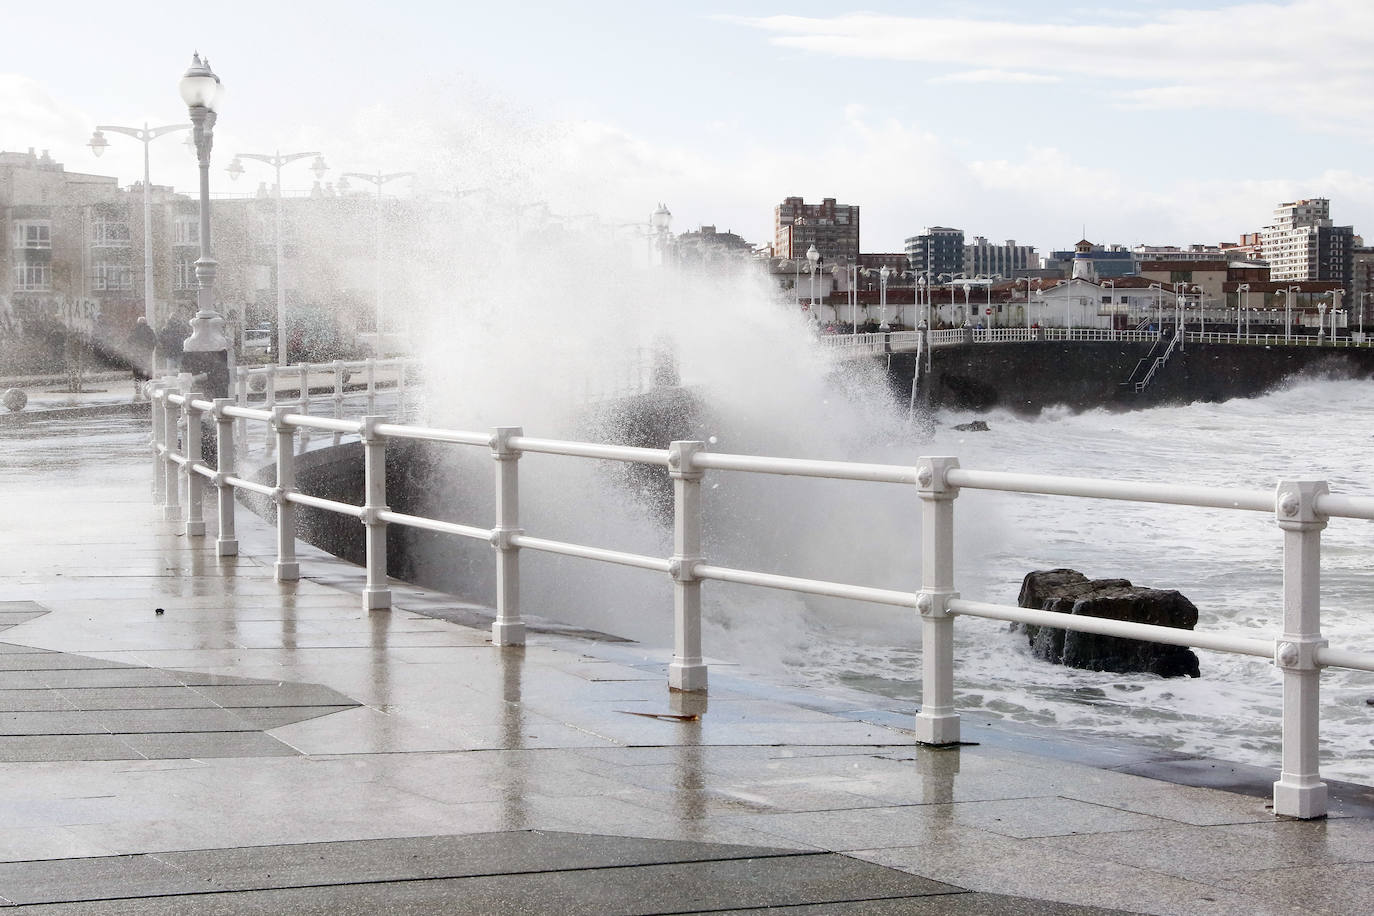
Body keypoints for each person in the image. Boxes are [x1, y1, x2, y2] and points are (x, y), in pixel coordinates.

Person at [126, 317, 158, 400]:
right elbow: (154, 341)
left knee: (136, 372)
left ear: (138, 323)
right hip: (147, 355)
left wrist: (133, 350)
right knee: (148, 371)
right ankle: (148, 386)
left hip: (136, 355)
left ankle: (137, 388)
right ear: (146, 323)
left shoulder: (135, 331)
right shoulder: (149, 331)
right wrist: (150, 349)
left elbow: (129, 341)